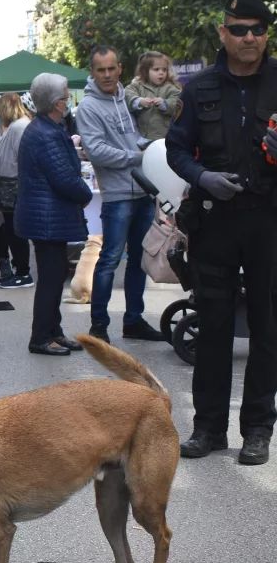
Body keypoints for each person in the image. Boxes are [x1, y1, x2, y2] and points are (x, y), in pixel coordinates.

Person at [166, 0, 277, 465]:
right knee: (212, 327)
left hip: (269, 221)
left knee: (267, 328)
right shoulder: (199, 88)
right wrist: (201, 177)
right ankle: (208, 428)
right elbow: (175, 150)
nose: (248, 37)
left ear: (267, 34)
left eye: (257, 29)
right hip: (214, 222)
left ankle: (257, 429)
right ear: (222, 33)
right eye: (239, 29)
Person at [74, 45, 164, 343]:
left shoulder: (123, 97)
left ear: (120, 67)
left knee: (140, 259)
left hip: (142, 189)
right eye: (101, 70)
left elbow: (131, 138)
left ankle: (133, 321)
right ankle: (98, 325)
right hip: (117, 194)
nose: (107, 74)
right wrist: (137, 156)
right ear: (93, 72)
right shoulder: (88, 107)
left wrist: (151, 147)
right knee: (110, 259)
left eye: (112, 68)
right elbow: (97, 152)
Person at [14, 73, 92, 357]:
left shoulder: (48, 127)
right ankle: (40, 337)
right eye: (65, 96)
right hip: (46, 218)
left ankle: (53, 331)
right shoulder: (45, 133)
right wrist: (85, 194)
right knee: (51, 277)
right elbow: (63, 178)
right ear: (56, 103)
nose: (68, 101)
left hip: (46, 217)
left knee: (55, 274)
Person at [0, 92, 33, 288]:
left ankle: (23, 271)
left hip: (12, 184)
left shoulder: (19, 127)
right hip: (7, 184)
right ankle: (19, 269)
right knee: (8, 229)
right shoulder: (14, 127)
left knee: (15, 231)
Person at [125, 51, 182, 142]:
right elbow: (127, 94)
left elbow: (178, 103)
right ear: (145, 71)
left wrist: (165, 104)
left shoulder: (170, 88)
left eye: (164, 70)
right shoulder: (137, 85)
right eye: (156, 69)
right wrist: (139, 101)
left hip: (165, 139)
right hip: (142, 138)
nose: (161, 73)